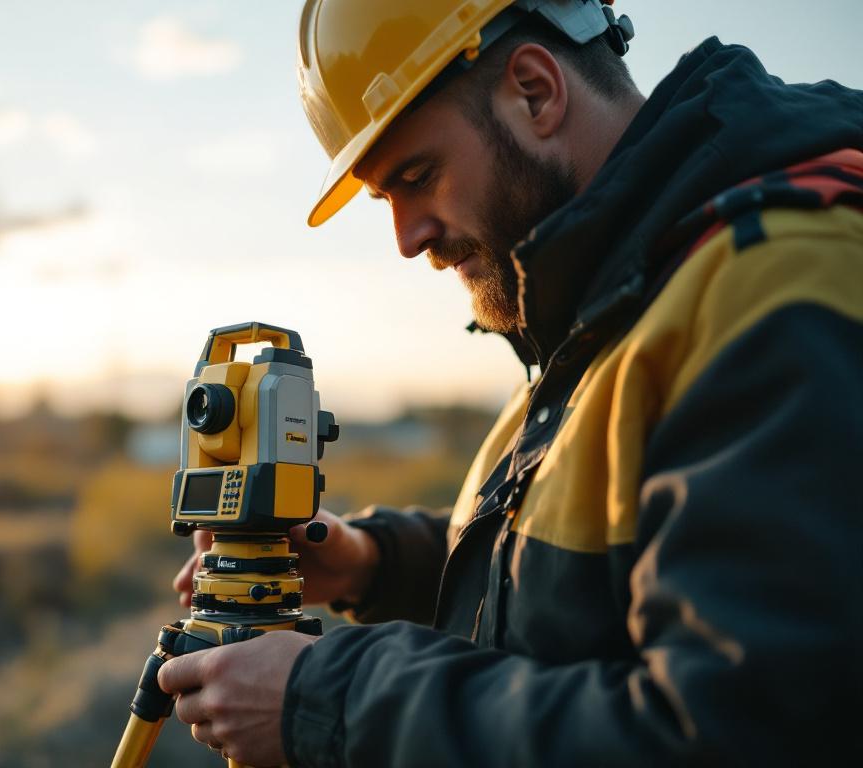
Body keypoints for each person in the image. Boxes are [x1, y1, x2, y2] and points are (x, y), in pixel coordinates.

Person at [155, 0, 863, 765]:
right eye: (383, 199)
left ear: (535, 90)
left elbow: (739, 734)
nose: (407, 239)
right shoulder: (600, 312)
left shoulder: (775, 285)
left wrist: (334, 700)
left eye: (418, 176)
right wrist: (375, 562)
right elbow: (591, 580)